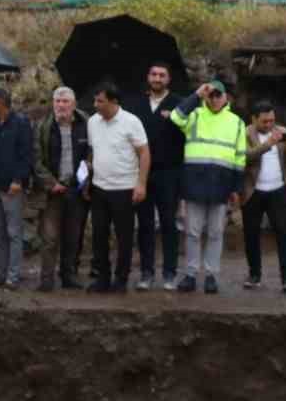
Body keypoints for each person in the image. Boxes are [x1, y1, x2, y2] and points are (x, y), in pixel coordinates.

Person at [170, 78, 246, 294]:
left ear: (226, 98)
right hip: (194, 183)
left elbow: (239, 158)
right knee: (192, 232)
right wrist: (196, 95)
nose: (214, 99)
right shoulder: (194, 114)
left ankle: (212, 275)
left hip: (221, 185)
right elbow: (176, 117)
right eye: (211, 95)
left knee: (215, 232)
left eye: (218, 95)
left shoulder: (236, 122)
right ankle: (191, 274)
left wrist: (235, 188)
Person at [85, 84, 150, 293]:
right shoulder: (93, 121)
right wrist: (88, 179)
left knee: (124, 236)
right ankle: (102, 278)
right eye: (95, 101)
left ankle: (121, 279)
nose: (96, 105)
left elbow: (144, 153)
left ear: (114, 102)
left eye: (100, 101)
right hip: (99, 187)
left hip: (124, 188)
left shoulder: (131, 122)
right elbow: (93, 151)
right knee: (99, 235)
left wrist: (141, 183)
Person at [128, 62, 186, 290]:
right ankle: (146, 272)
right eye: (154, 74)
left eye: (162, 75)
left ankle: (170, 272)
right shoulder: (135, 105)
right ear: (148, 77)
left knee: (169, 224)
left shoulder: (180, 105)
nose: (157, 78)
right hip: (142, 173)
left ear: (168, 79)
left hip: (169, 172)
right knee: (144, 224)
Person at [33, 86, 90, 292]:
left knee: (73, 236)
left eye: (65, 101)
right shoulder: (43, 127)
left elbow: (92, 152)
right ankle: (46, 280)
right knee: (49, 237)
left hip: (76, 189)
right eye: (57, 101)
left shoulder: (86, 123)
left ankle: (68, 276)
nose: (60, 105)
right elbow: (36, 159)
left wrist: (87, 175)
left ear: (74, 104)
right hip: (53, 191)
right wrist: (50, 183)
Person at [241, 101, 286, 293]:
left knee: (284, 234)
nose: (269, 125)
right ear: (254, 119)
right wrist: (268, 144)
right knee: (251, 235)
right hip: (253, 191)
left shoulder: (282, 131)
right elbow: (244, 157)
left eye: (272, 121)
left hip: (279, 190)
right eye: (264, 122)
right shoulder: (245, 133)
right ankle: (254, 274)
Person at [0, 87, 35, 289]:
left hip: (11, 187)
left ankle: (13, 275)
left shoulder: (20, 124)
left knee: (13, 232)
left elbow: (26, 154)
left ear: (1, 102)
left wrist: (18, 180)